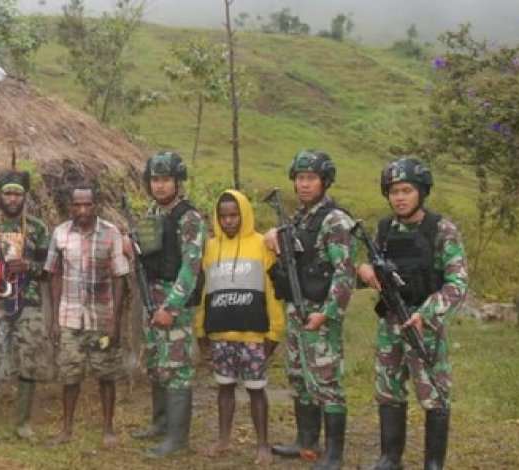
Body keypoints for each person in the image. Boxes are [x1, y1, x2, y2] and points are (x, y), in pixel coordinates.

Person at [359, 158, 467, 470]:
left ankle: (433, 464)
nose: (400, 197)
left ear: (421, 192)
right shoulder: (383, 230)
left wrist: (427, 313)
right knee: (388, 391)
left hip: (425, 325)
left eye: (407, 190)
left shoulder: (441, 230)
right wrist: (363, 269)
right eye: (394, 191)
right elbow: (371, 269)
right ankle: (390, 458)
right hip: (390, 322)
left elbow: (458, 282)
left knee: (434, 394)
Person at [264, 150, 356, 470]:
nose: (304, 185)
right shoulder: (301, 218)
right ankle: (306, 440)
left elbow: (345, 273)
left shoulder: (335, 220)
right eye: (300, 178)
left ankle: (333, 454)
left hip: (320, 311)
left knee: (326, 381)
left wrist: (328, 313)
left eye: (311, 179)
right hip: (298, 308)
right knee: (300, 375)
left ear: (325, 181)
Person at [195, 190, 285, 465]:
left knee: (256, 389)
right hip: (221, 334)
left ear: (244, 214)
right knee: (224, 388)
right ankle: (223, 440)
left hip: (254, 335)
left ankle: (262, 445)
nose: (229, 221)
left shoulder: (261, 245)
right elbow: (203, 292)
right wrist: (201, 330)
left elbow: (273, 291)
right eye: (223, 216)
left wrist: (275, 331)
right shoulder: (209, 248)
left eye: (234, 215)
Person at [129, 151, 207, 457]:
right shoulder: (152, 212)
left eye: (166, 180)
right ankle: (160, 424)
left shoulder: (189, 218)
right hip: (152, 298)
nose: (160, 186)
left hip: (175, 301)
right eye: (155, 180)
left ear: (178, 182)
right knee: (157, 363)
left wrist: (171, 308)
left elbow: (191, 268)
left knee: (177, 368)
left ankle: (177, 439)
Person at [0, 169, 51, 440]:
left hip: (29, 303)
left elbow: (48, 270)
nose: (13, 199)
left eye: (18, 193)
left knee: (28, 361)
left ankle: (23, 424)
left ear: (25, 196)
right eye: (8, 193)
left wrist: (30, 266)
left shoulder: (38, 228)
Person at [45, 182, 130, 447]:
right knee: (70, 377)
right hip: (69, 317)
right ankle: (67, 429)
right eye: (77, 204)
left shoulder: (111, 233)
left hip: (101, 318)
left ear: (96, 206)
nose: (82, 209)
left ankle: (108, 429)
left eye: (87, 204)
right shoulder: (60, 234)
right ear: (71, 206)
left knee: (106, 376)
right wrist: (56, 319)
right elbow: (54, 275)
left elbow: (119, 277)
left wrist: (115, 322)